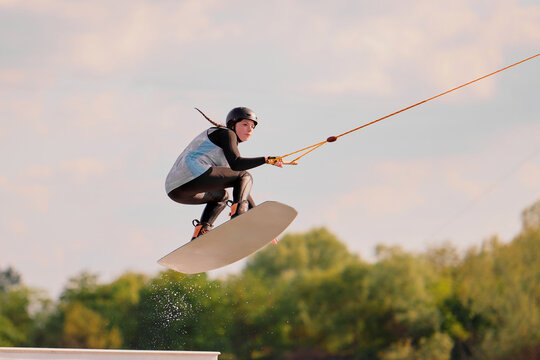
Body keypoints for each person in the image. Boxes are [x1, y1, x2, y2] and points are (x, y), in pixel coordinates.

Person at [165, 107, 283, 241]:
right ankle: (238, 215)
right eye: (245, 124)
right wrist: (266, 160)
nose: (250, 129)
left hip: (175, 190)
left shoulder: (226, 150)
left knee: (222, 197)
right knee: (245, 176)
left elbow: (242, 189)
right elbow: (237, 164)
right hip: (192, 174)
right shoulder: (227, 133)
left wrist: (258, 221)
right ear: (232, 124)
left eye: (252, 126)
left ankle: (201, 232)